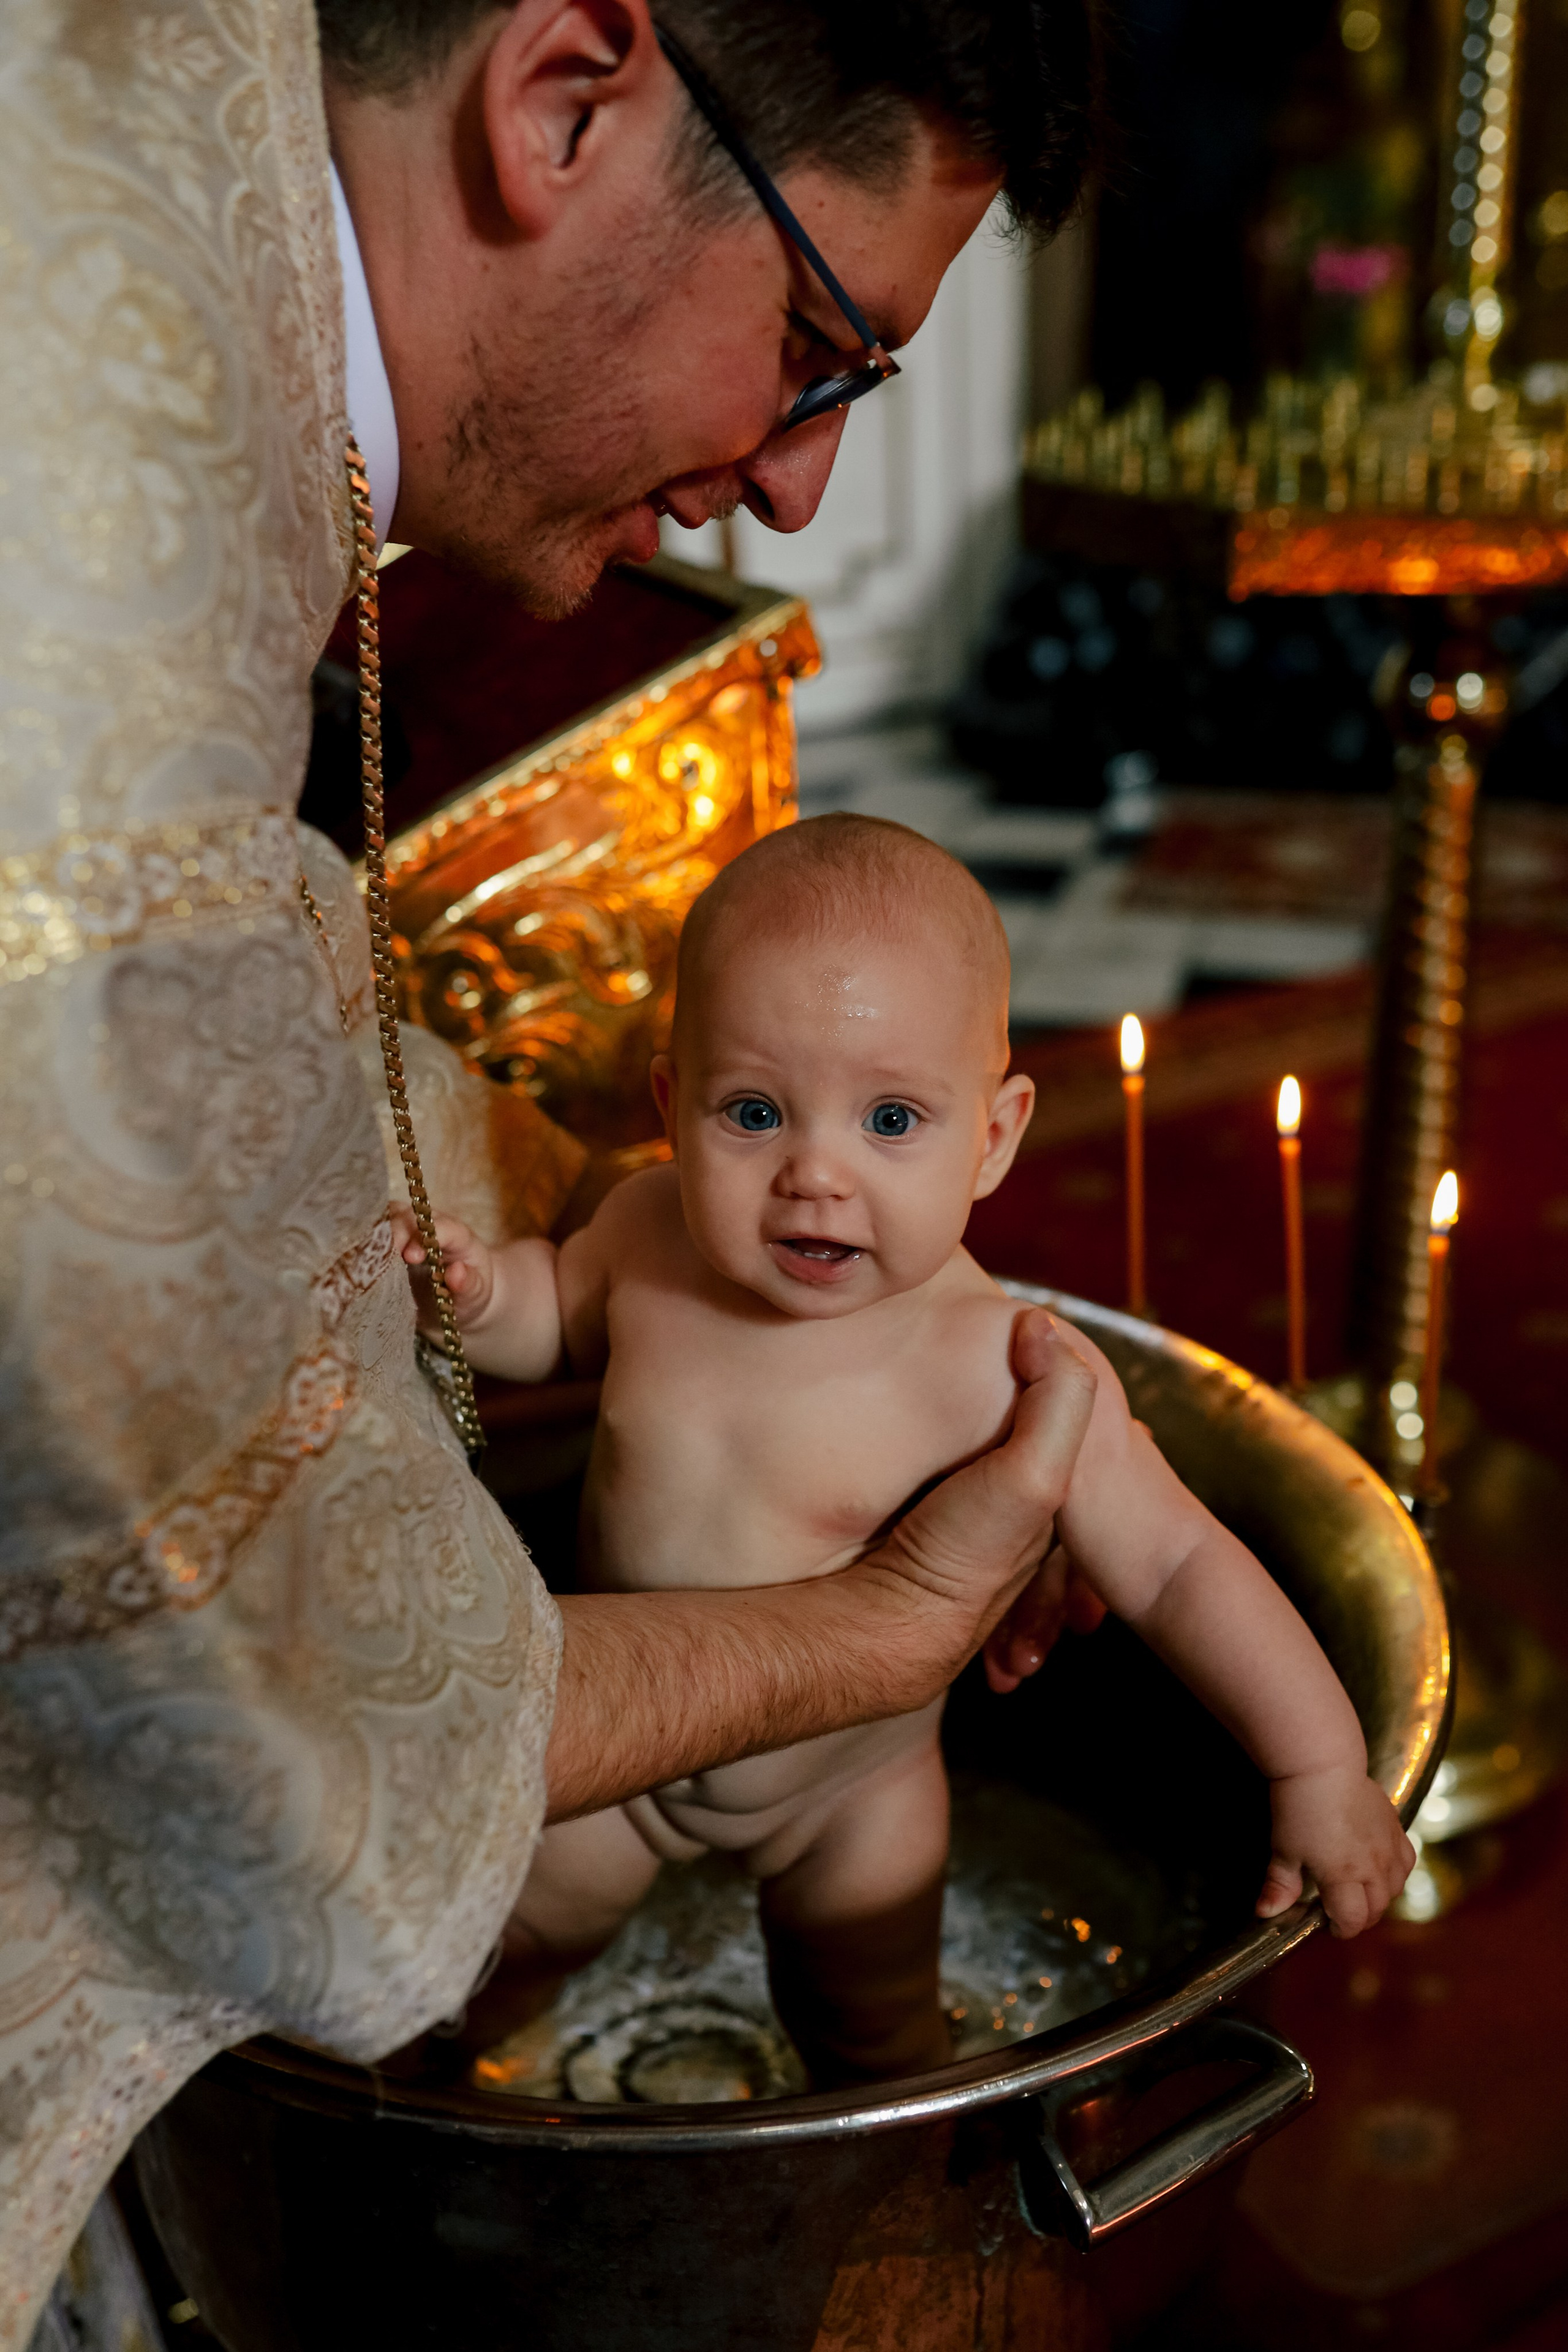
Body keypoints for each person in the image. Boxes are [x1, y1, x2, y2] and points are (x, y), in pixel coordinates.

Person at [0, 2, 1099, 2337]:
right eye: (821, 347)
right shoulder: (78, 679)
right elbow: (264, 1708)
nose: (801, 490)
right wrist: (882, 1636)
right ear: (565, 96)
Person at [398, 815, 1416, 2086]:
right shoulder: (648, 1232)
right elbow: (562, 1317)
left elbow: (1172, 1567)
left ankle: (892, 2172)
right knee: (495, 1960)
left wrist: (1316, 1766)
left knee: (871, 2023)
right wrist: (486, 1297)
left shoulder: (999, 1366)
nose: (814, 1175)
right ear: (671, 1105)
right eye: (754, 1113)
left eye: (889, 1120)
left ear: (991, 1137)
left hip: (851, 1795)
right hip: (626, 1756)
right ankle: (445, 2101)